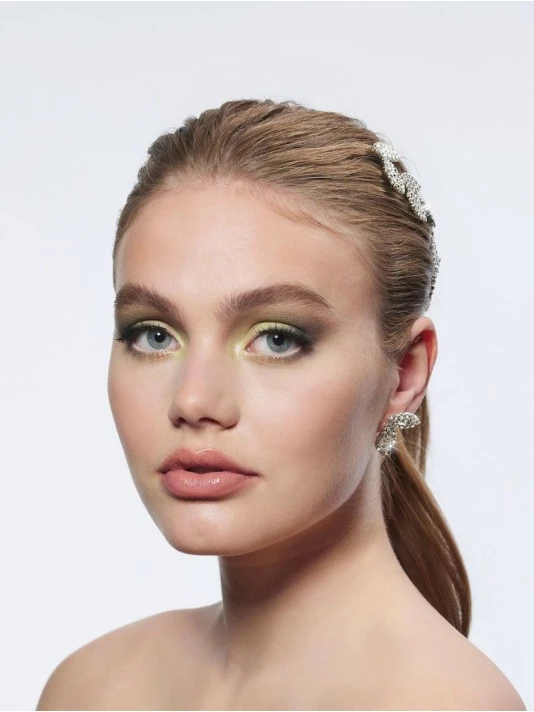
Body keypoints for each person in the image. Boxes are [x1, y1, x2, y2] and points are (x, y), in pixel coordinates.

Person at [36, 99, 526, 710]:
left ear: (404, 373)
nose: (193, 400)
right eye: (154, 335)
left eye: (276, 339)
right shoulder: (90, 687)